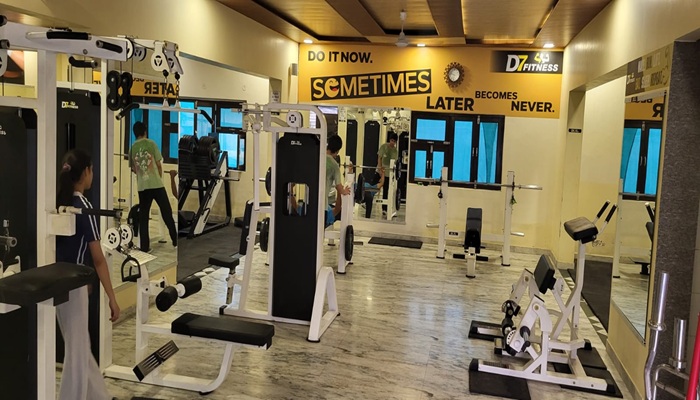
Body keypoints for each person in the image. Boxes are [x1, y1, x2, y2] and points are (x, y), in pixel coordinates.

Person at [56, 149, 119, 400]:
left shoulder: (58, 202)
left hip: (58, 282)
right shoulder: (83, 207)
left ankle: (99, 396)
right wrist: (112, 297)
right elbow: (98, 259)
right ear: (86, 172)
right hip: (74, 285)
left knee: (80, 345)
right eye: (92, 170)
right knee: (77, 350)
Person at [129, 121, 178, 251]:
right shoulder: (151, 144)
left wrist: (142, 175)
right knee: (166, 212)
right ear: (145, 131)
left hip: (142, 187)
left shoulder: (132, 148)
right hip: (156, 184)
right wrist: (158, 177)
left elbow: (133, 168)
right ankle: (175, 240)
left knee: (144, 216)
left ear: (134, 133)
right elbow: (158, 164)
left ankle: (145, 247)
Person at [326, 135, 351, 226]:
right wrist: (345, 191)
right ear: (337, 151)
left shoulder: (317, 157)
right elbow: (339, 187)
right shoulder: (334, 165)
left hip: (309, 202)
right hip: (322, 205)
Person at [377, 131, 399, 217]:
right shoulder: (384, 147)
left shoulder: (395, 151)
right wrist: (379, 169)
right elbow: (379, 158)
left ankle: (385, 209)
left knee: (386, 191)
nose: (392, 142)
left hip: (388, 174)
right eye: (392, 140)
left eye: (394, 141)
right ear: (389, 140)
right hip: (380, 171)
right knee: (374, 186)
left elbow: (395, 163)